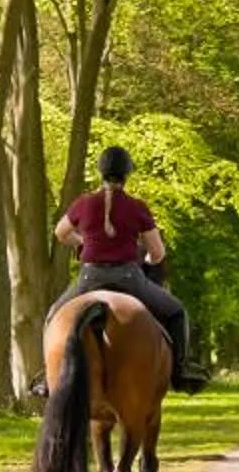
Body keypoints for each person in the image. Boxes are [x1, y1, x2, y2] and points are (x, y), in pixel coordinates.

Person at [47, 146, 208, 393]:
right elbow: (158, 253)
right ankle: (180, 370)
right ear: (126, 175)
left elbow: (60, 233)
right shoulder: (137, 207)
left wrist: (83, 243)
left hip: (89, 278)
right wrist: (146, 261)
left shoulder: (83, 204)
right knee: (177, 313)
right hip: (129, 278)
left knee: (53, 317)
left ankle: (46, 378)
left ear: (100, 173)